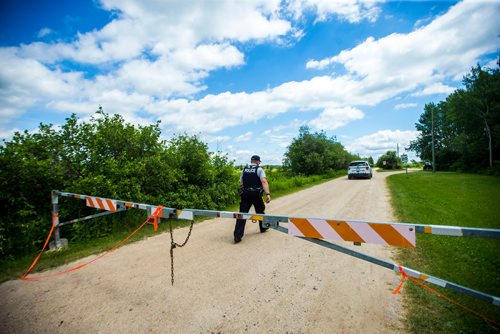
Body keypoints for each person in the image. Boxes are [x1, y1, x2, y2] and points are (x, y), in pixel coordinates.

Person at [233, 155, 271, 243]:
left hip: (245, 194)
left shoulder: (244, 169)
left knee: (242, 214)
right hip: (256, 194)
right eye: (259, 162)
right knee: (260, 211)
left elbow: (241, 182)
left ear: (251, 161)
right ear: (257, 161)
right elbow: (264, 181)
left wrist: (244, 190)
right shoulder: (259, 169)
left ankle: (237, 236)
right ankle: (263, 227)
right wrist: (267, 194)